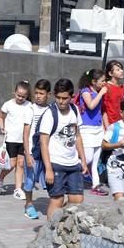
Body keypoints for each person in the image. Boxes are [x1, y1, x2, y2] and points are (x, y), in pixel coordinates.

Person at [40, 78, 89, 220]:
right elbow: (44, 142)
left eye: (64, 98)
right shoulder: (50, 114)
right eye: (58, 97)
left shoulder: (74, 110)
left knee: (77, 200)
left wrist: (83, 160)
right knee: (57, 200)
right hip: (55, 163)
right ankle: (49, 233)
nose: (61, 101)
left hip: (73, 163)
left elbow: (77, 136)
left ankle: (63, 226)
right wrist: (48, 168)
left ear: (71, 97)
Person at [0, 81, 32, 198]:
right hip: (10, 139)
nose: (20, 98)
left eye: (23, 96)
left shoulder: (30, 106)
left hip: (23, 140)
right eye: (18, 95)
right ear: (14, 92)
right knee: (11, 164)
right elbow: (0, 117)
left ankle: (18, 189)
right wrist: (2, 127)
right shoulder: (8, 104)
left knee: (20, 164)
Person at [21, 79, 52, 220]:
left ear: (48, 94)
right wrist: (27, 154)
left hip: (46, 152)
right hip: (33, 152)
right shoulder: (30, 110)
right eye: (36, 93)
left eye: (42, 93)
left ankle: (54, 204)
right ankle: (29, 205)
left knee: (50, 180)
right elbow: (26, 133)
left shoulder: (51, 110)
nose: (38, 96)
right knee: (30, 180)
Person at [76, 69, 108, 196]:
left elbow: (100, 110)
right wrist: (101, 94)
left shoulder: (99, 91)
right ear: (94, 82)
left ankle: (96, 185)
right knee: (87, 158)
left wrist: (104, 127)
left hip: (98, 128)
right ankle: (68, 168)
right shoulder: (86, 91)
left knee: (95, 160)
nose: (104, 83)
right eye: (102, 81)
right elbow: (91, 105)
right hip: (87, 129)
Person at [102, 60, 124, 129]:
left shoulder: (123, 87)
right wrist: (107, 126)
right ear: (110, 73)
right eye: (118, 70)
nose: (121, 71)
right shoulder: (106, 87)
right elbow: (104, 109)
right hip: (109, 123)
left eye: (121, 69)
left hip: (120, 123)